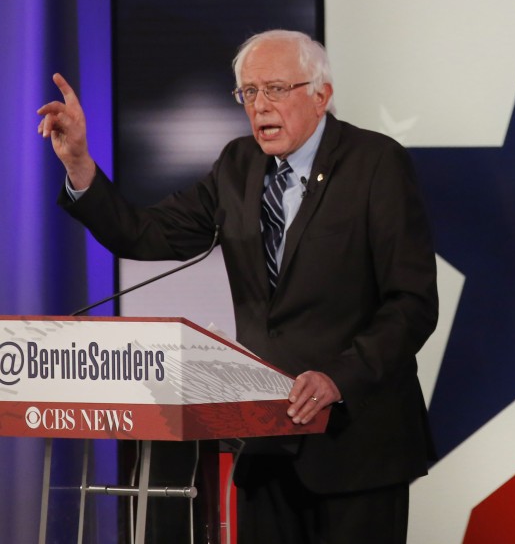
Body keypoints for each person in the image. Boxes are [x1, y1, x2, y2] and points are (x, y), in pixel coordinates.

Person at [36, 29, 439, 543]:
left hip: (355, 445)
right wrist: (78, 165)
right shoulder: (237, 165)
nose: (259, 106)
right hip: (266, 442)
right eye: (248, 93)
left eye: (275, 89)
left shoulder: (374, 163)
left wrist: (340, 377)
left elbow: (412, 302)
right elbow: (142, 232)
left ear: (321, 94)